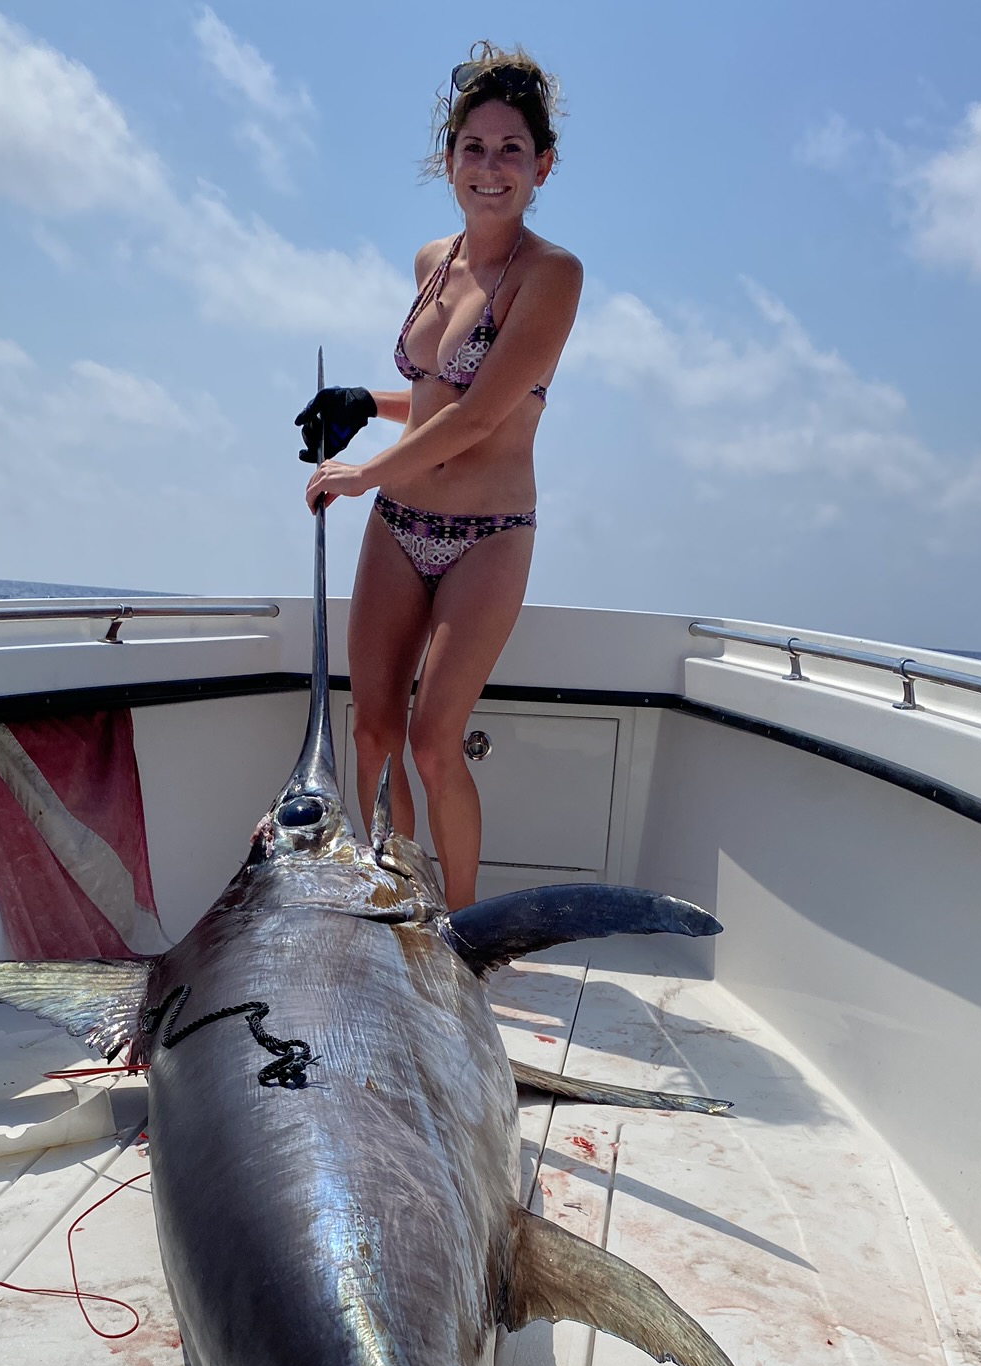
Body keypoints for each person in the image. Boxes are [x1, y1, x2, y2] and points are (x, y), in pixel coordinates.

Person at [299, 45, 582, 911]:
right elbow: (431, 398)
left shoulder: (552, 275)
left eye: (509, 150)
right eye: (473, 148)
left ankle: (462, 934)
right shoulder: (432, 261)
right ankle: (400, 903)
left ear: (541, 166)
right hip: (400, 520)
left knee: (432, 742)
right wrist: (364, 401)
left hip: (487, 537)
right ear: (447, 158)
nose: (488, 168)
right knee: (372, 731)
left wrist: (360, 476)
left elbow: (480, 416)